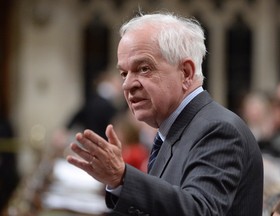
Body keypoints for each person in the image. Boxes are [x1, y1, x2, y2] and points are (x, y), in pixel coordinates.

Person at [67, 12, 263, 215]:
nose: (127, 85)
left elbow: (199, 211)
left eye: (143, 69)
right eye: (124, 73)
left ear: (186, 73)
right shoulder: (174, 130)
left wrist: (122, 177)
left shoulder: (219, 130)